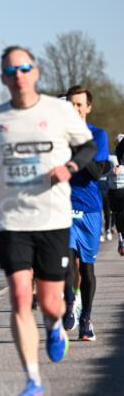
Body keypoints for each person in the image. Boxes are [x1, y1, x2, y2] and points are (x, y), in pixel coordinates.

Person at [0, 46, 96, 396]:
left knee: (52, 302)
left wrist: (68, 169)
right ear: (4, 78)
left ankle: (56, 326)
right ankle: (33, 382)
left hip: (53, 220)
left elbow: (87, 148)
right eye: (12, 70)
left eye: (25, 67)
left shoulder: (59, 111)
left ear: (35, 72)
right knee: (21, 298)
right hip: (13, 220)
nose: (19, 74)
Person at [62, 86, 110, 341]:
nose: (74, 109)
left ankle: (86, 318)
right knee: (66, 262)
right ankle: (70, 302)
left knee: (87, 268)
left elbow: (95, 172)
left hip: (90, 208)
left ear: (88, 107)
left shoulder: (98, 135)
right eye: (70, 104)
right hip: (62, 206)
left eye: (79, 105)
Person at [108, 133, 124, 255]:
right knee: (117, 215)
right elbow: (100, 172)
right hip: (114, 191)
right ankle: (120, 240)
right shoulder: (110, 158)